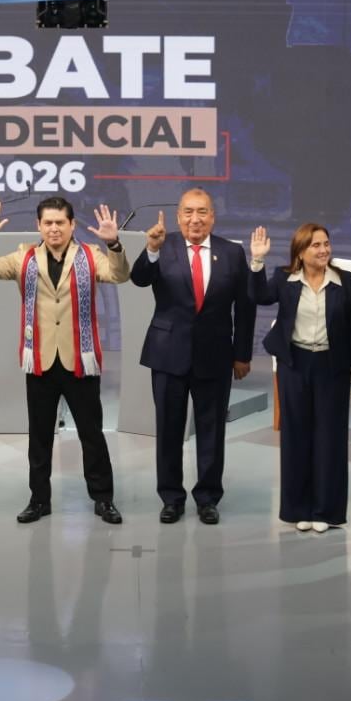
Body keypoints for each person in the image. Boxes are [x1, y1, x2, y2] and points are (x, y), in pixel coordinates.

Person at [0, 196, 130, 524]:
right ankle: (39, 500)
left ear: (72, 225)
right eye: (48, 223)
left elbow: (119, 275)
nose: (54, 228)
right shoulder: (24, 257)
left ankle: (103, 499)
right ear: (39, 226)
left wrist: (114, 243)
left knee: (91, 434)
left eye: (61, 222)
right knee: (39, 436)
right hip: (41, 360)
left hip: (80, 359)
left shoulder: (90, 255)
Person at [130, 188, 256, 525]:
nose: (195, 219)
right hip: (168, 354)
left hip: (215, 355)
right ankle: (171, 498)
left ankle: (207, 498)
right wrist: (151, 250)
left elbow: (245, 307)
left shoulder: (231, 253)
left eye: (202, 212)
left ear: (213, 216)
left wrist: (242, 354)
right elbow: (139, 278)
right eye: (188, 212)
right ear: (178, 216)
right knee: (169, 429)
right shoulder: (162, 244)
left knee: (212, 430)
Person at [249, 223, 351, 532]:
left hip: (333, 366)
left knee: (330, 439)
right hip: (295, 364)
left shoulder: (346, 281)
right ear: (301, 252)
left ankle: (326, 511)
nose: (323, 250)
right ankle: (297, 509)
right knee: (296, 437)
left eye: (326, 244)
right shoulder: (284, 278)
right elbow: (258, 295)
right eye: (316, 245)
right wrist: (257, 261)